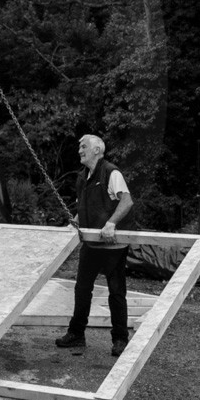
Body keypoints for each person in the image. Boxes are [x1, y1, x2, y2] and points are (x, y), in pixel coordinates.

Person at [55, 134, 134, 357]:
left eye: (84, 147)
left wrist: (111, 224)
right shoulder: (82, 177)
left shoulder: (111, 172)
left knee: (116, 292)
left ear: (97, 150)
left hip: (112, 244)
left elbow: (126, 201)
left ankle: (120, 339)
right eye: (79, 147)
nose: (79, 150)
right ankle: (76, 334)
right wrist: (75, 222)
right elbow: (83, 208)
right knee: (81, 289)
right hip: (91, 243)